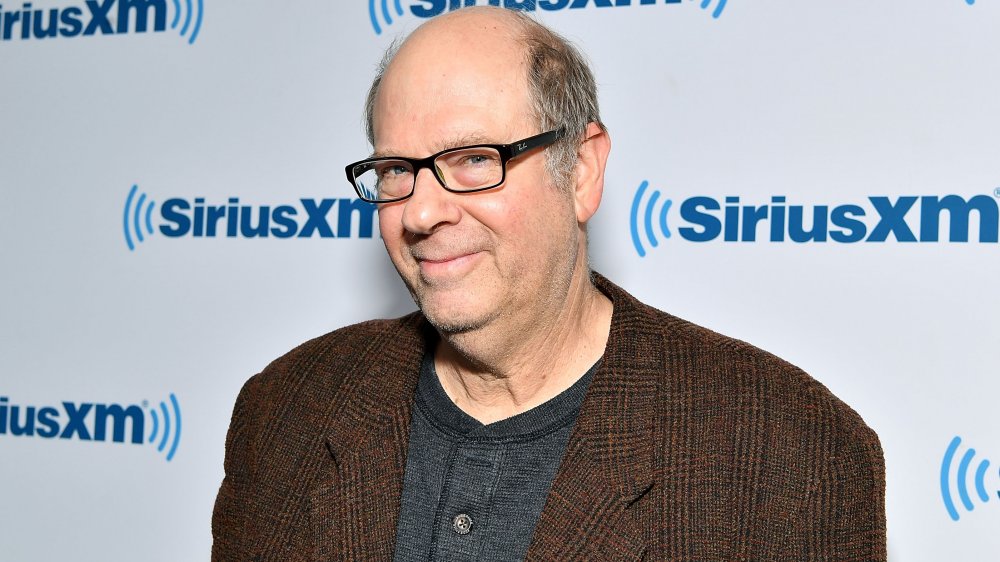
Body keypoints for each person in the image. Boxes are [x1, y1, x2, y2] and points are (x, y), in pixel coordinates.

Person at [212, 6, 886, 561]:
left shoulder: (791, 453)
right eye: (396, 170)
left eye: (474, 159)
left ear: (583, 171)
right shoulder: (287, 410)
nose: (420, 212)